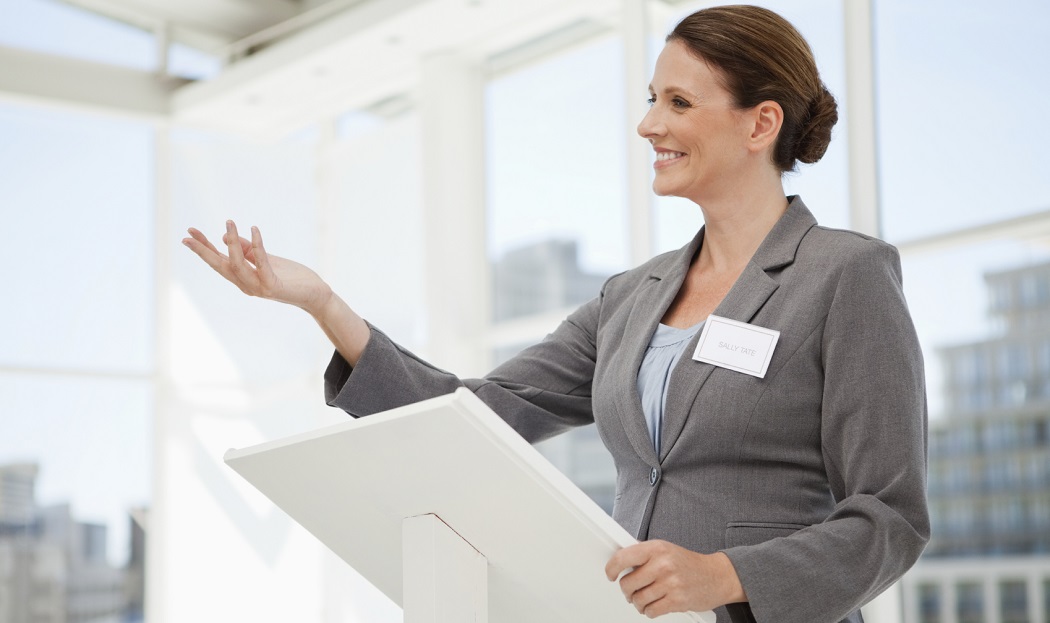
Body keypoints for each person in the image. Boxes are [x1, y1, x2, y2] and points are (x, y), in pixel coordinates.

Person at [183, 5, 929, 623]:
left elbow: (889, 518)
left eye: (678, 103)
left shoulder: (845, 274)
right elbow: (477, 414)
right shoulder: (628, 297)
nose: (647, 126)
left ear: (760, 123)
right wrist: (322, 302)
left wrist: (725, 575)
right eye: (649, 98)